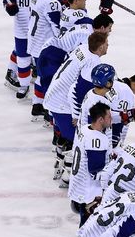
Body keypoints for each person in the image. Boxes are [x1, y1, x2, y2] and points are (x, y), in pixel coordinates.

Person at [44, 32, 109, 187]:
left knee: (66, 136)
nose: (108, 46)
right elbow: (79, 90)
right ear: (100, 47)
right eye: (107, 43)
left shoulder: (83, 48)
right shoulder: (93, 61)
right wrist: (76, 115)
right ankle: (68, 177)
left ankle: (60, 165)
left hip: (54, 94)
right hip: (62, 104)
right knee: (78, 140)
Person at [68, 101, 113, 226]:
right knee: (88, 230)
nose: (111, 119)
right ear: (100, 120)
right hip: (90, 194)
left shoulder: (84, 129)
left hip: (78, 187)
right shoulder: (97, 139)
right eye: (109, 116)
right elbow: (95, 171)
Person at [3, 0, 41, 94]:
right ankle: (24, 85)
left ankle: (41, 89)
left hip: (40, 31)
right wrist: (9, 8)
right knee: (23, 59)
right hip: (22, 29)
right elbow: (6, 1)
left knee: (41, 60)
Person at [26, 0, 63, 107]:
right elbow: (57, 28)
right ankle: (49, 111)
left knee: (41, 76)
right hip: (45, 48)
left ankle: (37, 105)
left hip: (34, 44)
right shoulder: (51, 3)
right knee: (51, 80)